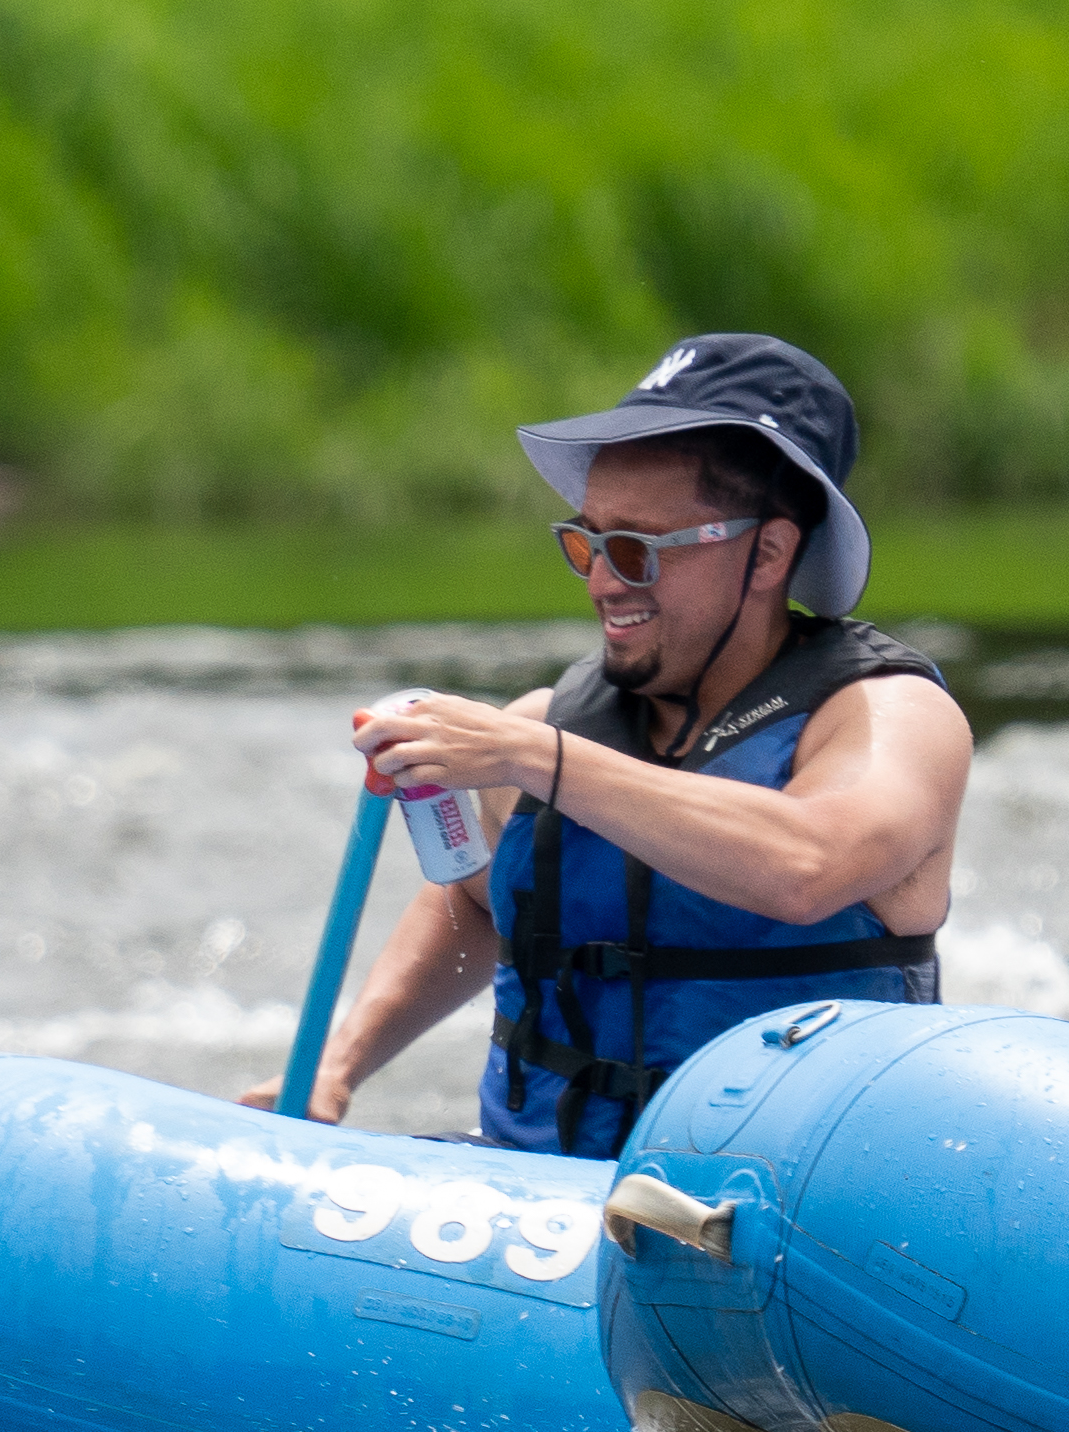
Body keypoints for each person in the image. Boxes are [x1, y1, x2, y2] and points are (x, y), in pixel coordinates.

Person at [300, 331, 970, 1155]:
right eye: (585, 542)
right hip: (536, 1193)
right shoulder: (549, 719)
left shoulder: (890, 718)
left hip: (785, 1207)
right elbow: (475, 907)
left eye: (637, 550)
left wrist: (535, 759)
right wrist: (338, 1067)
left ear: (768, 552)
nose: (601, 581)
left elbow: (808, 867)